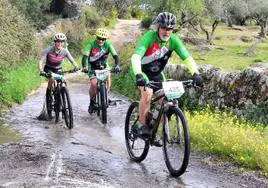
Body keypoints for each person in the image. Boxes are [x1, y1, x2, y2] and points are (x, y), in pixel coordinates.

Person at [130, 12, 203, 143]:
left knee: (168, 99)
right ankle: (142, 125)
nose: (166, 31)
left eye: (170, 29)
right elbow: (135, 57)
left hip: (157, 74)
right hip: (141, 71)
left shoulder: (174, 40)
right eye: (164, 28)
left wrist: (195, 73)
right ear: (158, 27)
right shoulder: (149, 37)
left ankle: (156, 128)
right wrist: (138, 75)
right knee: (147, 94)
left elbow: (187, 57)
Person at [39, 32, 79, 119]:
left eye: (61, 42)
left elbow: (72, 60)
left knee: (63, 82)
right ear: (55, 42)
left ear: (63, 43)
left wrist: (76, 67)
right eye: (58, 42)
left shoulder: (65, 51)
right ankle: (49, 98)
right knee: (52, 79)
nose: (60, 43)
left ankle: (64, 103)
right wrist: (41, 71)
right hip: (48, 68)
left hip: (58, 69)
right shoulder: (49, 50)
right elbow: (41, 61)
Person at [81, 28, 121, 113]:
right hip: (93, 67)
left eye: (103, 39)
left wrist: (117, 65)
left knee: (108, 77)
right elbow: (85, 56)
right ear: (96, 37)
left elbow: (115, 55)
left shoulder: (108, 45)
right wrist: (84, 67)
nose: (101, 41)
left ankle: (105, 95)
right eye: (99, 38)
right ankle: (92, 102)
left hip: (104, 66)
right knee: (94, 85)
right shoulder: (91, 44)